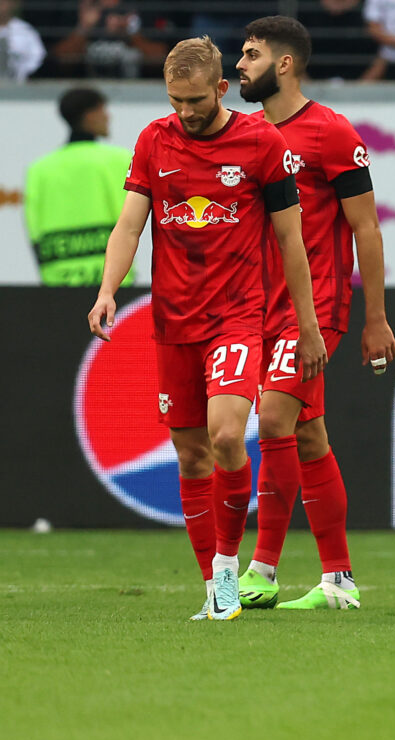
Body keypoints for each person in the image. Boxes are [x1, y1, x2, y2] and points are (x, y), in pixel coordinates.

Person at [86, 37, 327, 622]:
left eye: (196, 100)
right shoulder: (153, 140)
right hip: (173, 322)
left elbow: (291, 240)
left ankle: (227, 568)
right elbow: (129, 225)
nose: (186, 111)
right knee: (192, 456)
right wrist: (107, 290)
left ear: (221, 89)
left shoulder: (261, 143)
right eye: (176, 100)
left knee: (225, 436)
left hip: (237, 317)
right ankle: (216, 588)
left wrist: (308, 324)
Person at [233, 15, 395, 612]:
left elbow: (366, 229)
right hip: (257, 307)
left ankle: (261, 572)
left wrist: (375, 317)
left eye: (251, 54)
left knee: (275, 420)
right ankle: (338, 581)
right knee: (307, 433)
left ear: (284, 64)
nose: (239, 65)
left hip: (315, 306)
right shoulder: (247, 135)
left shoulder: (330, 132)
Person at [24, 86, 132, 286]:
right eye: (103, 110)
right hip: (112, 283)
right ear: (90, 115)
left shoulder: (39, 169)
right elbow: (132, 221)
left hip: (57, 281)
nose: (108, 117)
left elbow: (34, 227)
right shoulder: (119, 159)